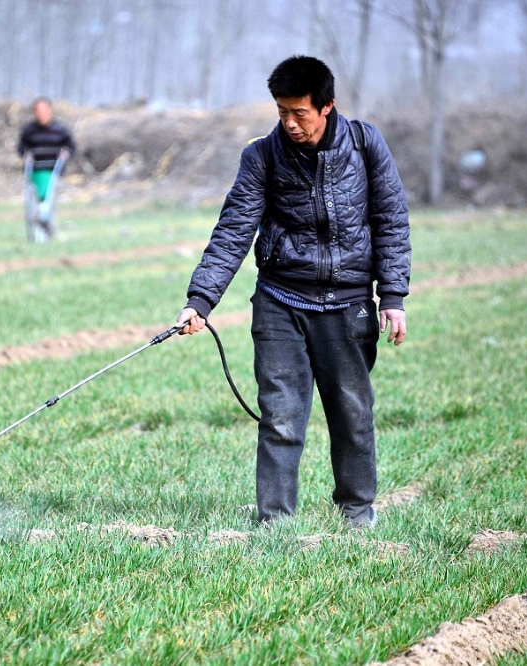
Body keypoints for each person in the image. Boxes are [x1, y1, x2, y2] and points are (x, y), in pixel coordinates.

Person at [176, 56, 411, 528]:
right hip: (280, 302)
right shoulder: (261, 155)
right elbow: (234, 230)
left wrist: (393, 297)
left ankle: (357, 513)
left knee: (353, 416)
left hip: (348, 306)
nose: (289, 122)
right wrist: (199, 300)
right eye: (281, 111)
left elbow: (391, 219)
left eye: (299, 112)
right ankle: (275, 524)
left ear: (327, 107)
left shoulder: (365, 145)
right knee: (281, 416)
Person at [17, 97, 76, 241]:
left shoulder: (60, 129)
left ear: (50, 111)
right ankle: (35, 236)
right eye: (37, 111)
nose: (40, 114)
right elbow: (21, 146)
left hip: (53, 172)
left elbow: (71, 146)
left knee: (48, 207)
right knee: (33, 208)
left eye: (43, 110)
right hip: (34, 172)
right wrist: (25, 154)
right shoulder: (29, 130)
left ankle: (50, 234)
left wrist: (66, 154)